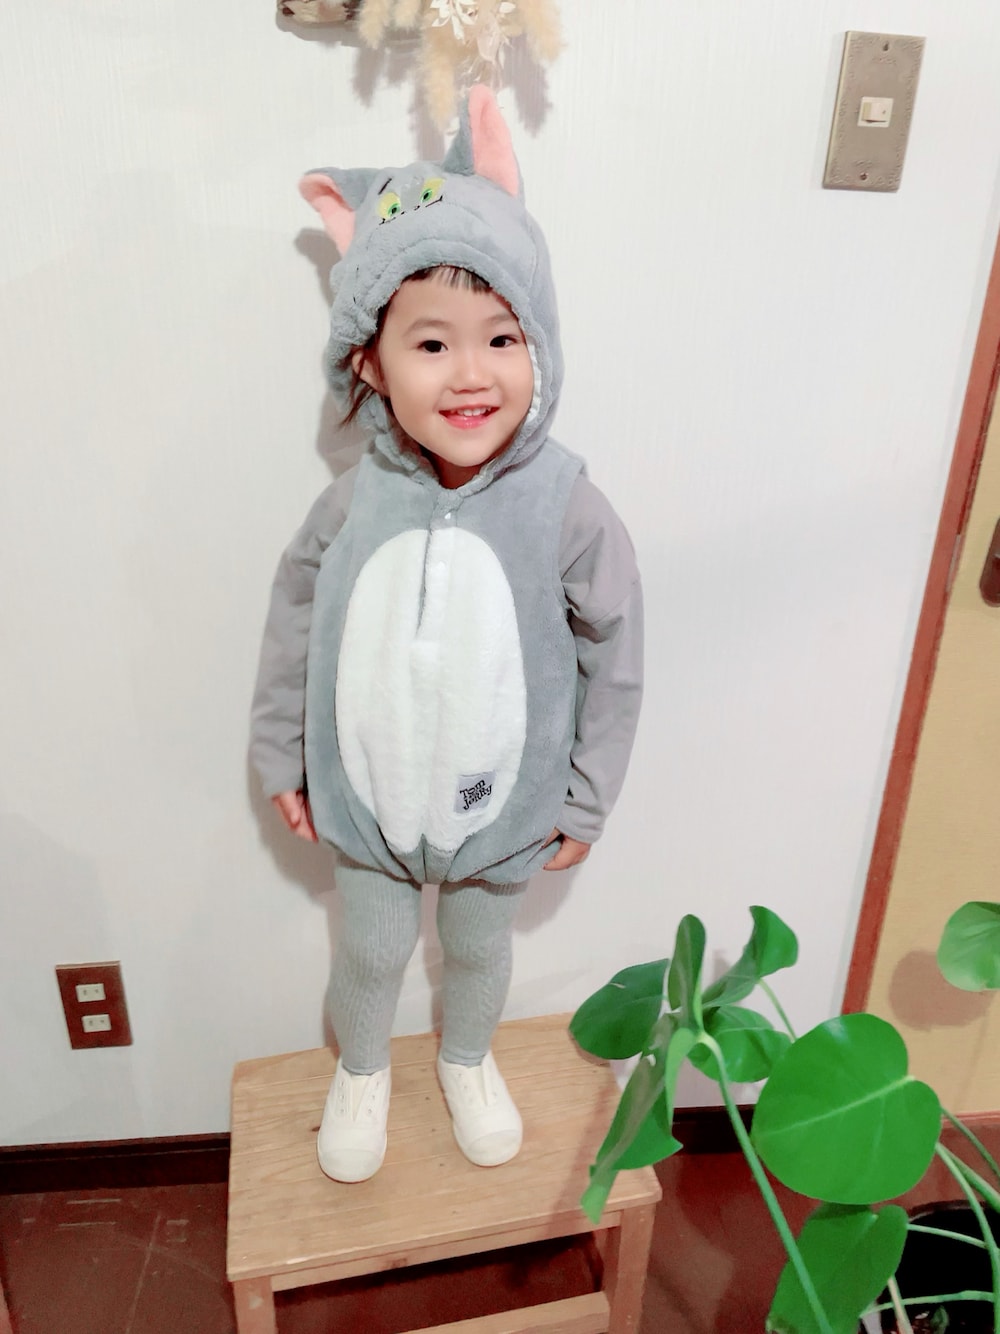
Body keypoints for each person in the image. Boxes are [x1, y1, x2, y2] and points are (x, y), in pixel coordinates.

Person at [250, 86, 643, 1184]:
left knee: (476, 947)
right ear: (369, 363)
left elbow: (617, 654)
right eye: (432, 342)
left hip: (503, 799)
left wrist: (586, 796)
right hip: (369, 788)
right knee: (372, 948)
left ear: (539, 346)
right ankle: (362, 1070)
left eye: (502, 338)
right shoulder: (352, 502)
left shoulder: (565, 504)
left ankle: (466, 1059)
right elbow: (291, 622)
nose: (472, 373)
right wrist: (282, 755)